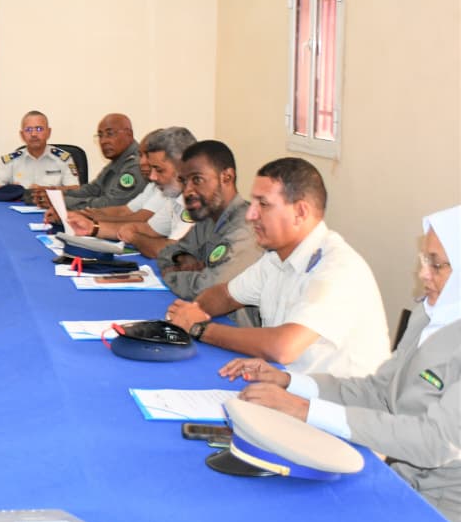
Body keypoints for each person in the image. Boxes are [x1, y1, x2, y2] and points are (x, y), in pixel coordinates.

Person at [222, 205, 461, 522]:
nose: (423, 274)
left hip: (445, 512)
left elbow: (434, 442)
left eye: (437, 264)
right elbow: (379, 391)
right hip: (402, 482)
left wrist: (304, 410)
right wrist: (290, 382)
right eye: (424, 260)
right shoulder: (430, 315)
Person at [166, 157, 390, 377]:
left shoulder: (338, 268)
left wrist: (200, 329)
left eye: (263, 204)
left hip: (332, 397)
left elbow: (283, 347)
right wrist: (192, 311)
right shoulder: (275, 259)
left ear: (300, 212)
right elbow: (225, 296)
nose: (251, 214)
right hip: (286, 382)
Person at [156, 141, 262, 319]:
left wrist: (171, 274)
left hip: (235, 327)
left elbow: (210, 289)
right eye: (183, 181)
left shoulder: (247, 228)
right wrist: (181, 257)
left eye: (197, 180)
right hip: (206, 316)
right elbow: (167, 252)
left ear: (226, 177)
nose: (187, 191)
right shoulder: (209, 218)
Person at [68, 127, 196, 258]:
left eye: (159, 170)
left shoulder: (200, 200)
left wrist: (135, 237)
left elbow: (171, 252)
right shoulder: (176, 195)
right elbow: (149, 229)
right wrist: (91, 227)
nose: (152, 177)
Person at [0, 110, 78, 200]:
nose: (34, 134)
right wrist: (15, 191)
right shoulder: (12, 160)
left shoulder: (63, 159)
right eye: (28, 129)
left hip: (51, 207)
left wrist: (46, 191)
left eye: (39, 129)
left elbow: (75, 189)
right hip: (18, 208)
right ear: (22, 134)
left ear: (48, 132)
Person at [61, 113, 145, 211]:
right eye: (100, 136)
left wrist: (64, 202)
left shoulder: (136, 165)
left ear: (129, 134)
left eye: (110, 134)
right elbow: (93, 189)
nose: (103, 141)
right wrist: (57, 195)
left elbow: (111, 205)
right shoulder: (118, 159)